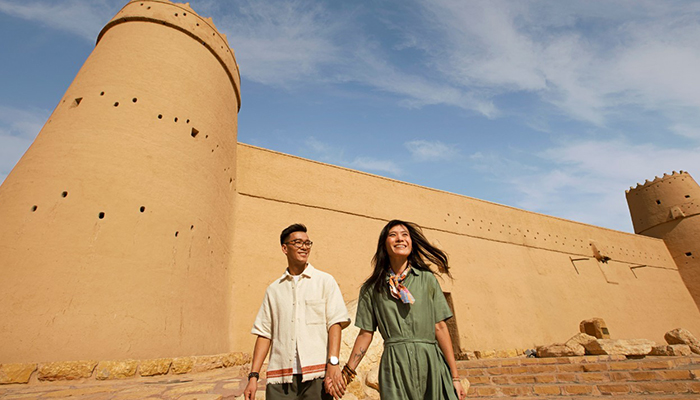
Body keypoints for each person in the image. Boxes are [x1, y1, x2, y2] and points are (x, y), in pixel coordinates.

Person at [341, 220, 467, 400]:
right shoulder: (372, 289)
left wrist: (455, 378)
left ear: (411, 243)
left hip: (430, 364)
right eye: (393, 235)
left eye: (405, 235)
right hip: (395, 367)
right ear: (384, 245)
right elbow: (365, 334)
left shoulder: (427, 280)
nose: (400, 239)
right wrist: (347, 372)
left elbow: (440, 327)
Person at [244, 224, 351, 400]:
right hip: (280, 380)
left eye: (307, 243)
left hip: (316, 377)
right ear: (284, 248)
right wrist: (253, 377)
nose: (304, 247)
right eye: (298, 242)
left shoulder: (325, 282)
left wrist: (333, 363)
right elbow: (264, 333)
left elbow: (335, 323)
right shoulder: (274, 290)